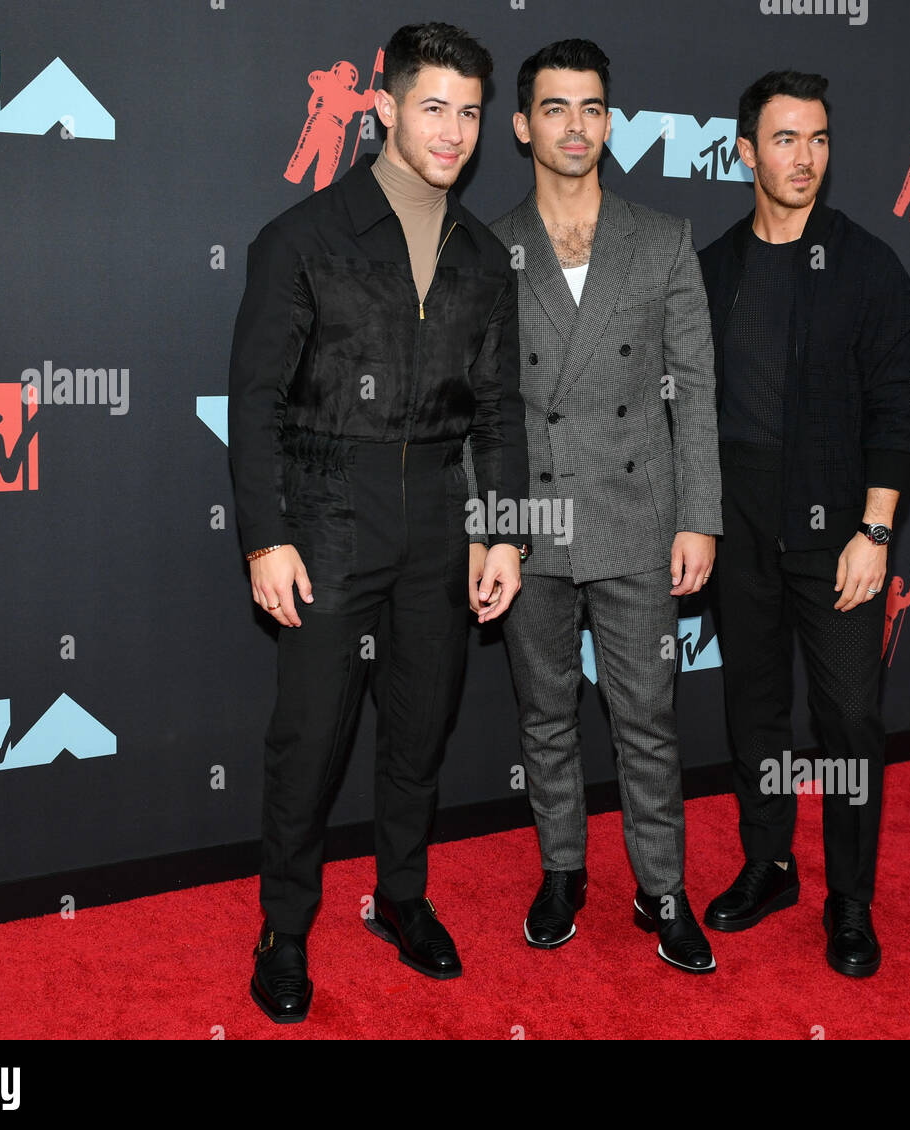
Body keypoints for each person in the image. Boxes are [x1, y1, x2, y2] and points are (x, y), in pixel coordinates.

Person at [227, 22, 528, 1024]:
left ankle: (400, 896)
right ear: (386, 108)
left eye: (469, 112)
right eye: (432, 106)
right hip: (325, 511)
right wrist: (266, 536)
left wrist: (503, 530)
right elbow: (257, 401)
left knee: (418, 726)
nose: (451, 130)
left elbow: (497, 411)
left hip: (442, 515)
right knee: (310, 735)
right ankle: (284, 925)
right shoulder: (300, 238)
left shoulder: (486, 258)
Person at [473, 39, 722, 973]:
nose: (574, 125)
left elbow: (693, 390)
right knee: (543, 714)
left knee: (646, 717)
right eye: (555, 108)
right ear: (523, 125)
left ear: (608, 122)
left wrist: (699, 514)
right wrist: (487, 527)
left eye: (591, 108)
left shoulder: (662, 238)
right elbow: (478, 406)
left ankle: (664, 889)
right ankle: (562, 873)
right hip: (533, 521)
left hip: (635, 511)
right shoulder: (486, 248)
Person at [697, 70, 910, 978]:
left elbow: (897, 415)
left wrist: (874, 533)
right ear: (745, 151)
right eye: (786, 139)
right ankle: (770, 865)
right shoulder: (713, 268)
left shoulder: (866, 264)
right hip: (739, 522)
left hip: (839, 538)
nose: (806, 158)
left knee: (848, 723)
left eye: (820, 138)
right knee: (754, 709)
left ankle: (850, 902)